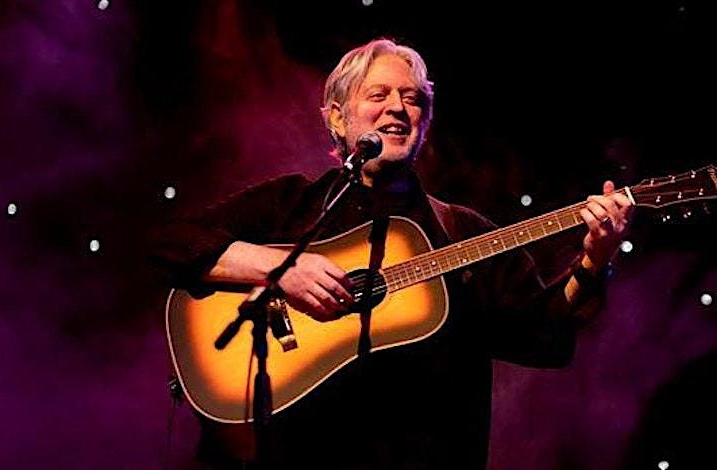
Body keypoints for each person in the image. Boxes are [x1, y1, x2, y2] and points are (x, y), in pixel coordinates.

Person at [150, 38, 633, 469]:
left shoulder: (461, 231)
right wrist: (280, 268)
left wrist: (596, 258)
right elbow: (169, 244)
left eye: (413, 99)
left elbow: (546, 334)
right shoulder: (290, 205)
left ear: (425, 122)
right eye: (378, 95)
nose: (398, 108)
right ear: (337, 117)